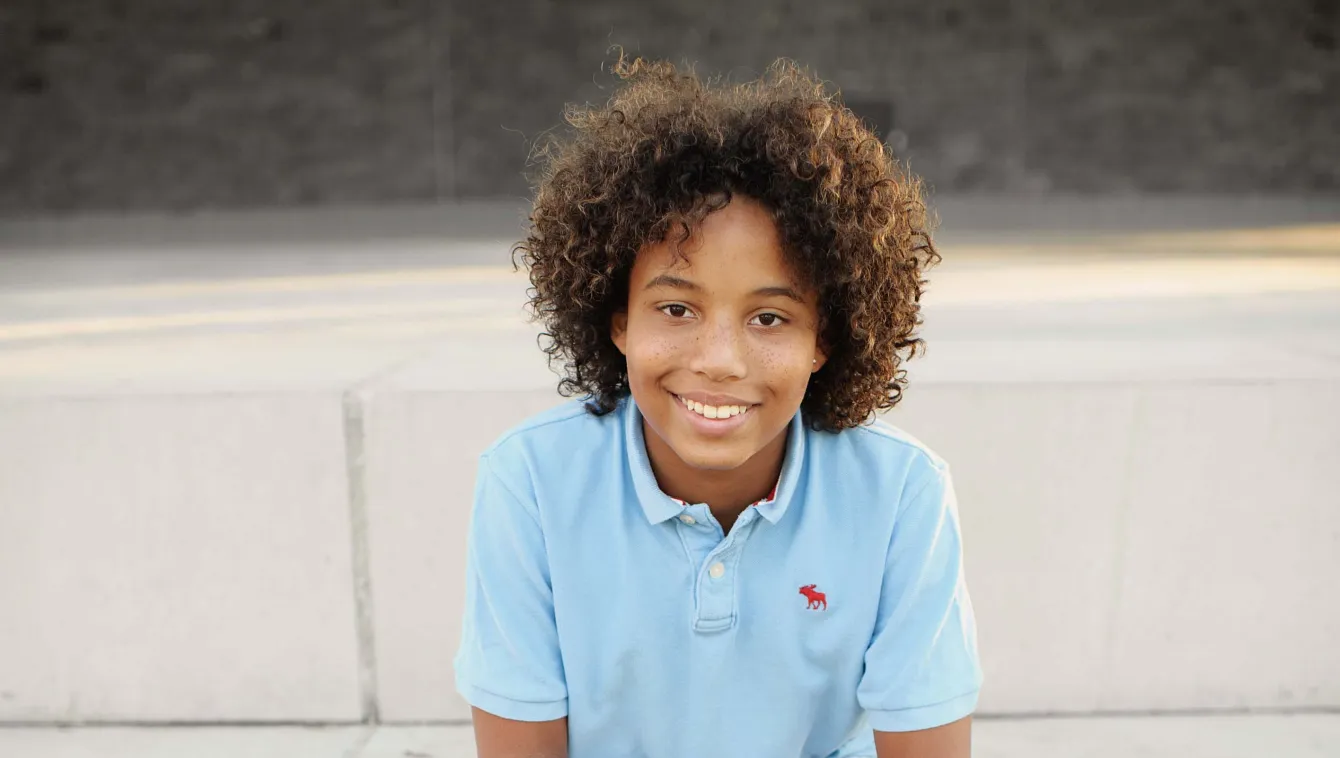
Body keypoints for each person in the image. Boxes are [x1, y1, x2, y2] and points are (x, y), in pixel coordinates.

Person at [455, 55, 981, 758]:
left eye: (770, 318)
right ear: (617, 320)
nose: (720, 359)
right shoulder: (531, 482)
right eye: (676, 308)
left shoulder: (900, 493)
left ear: (825, 338)